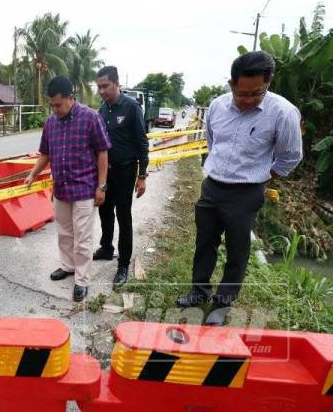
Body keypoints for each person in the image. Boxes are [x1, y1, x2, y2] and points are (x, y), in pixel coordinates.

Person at [177, 51, 303, 326]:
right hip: (212, 186)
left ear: (268, 82)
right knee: (204, 243)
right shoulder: (217, 106)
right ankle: (198, 292)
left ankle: (222, 305)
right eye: (241, 94)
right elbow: (213, 142)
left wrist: (265, 175)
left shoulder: (282, 113)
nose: (247, 101)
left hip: (247, 192)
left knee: (237, 249)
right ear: (232, 83)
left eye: (256, 94)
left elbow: (291, 155)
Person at [25, 76, 111, 302]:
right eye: (51, 105)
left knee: (82, 238)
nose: (55, 109)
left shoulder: (90, 118)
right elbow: (45, 153)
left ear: (71, 98)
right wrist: (33, 174)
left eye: (58, 105)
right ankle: (68, 266)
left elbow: (102, 152)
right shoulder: (50, 123)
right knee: (64, 233)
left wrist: (101, 186)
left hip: (84, 189)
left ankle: (82, 280)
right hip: (61, 189)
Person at [93, 66, 149, 287]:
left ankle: (123, 264)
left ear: (117, 84)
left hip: (126, 170)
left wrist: (142, 175)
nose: (102, 91)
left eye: (105, 86)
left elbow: (142, 142)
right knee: (105, 210)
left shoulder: (131, 107)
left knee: (123, 215)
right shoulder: (103, 109)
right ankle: (107, 248)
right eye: (99, 87)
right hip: (107, 171)